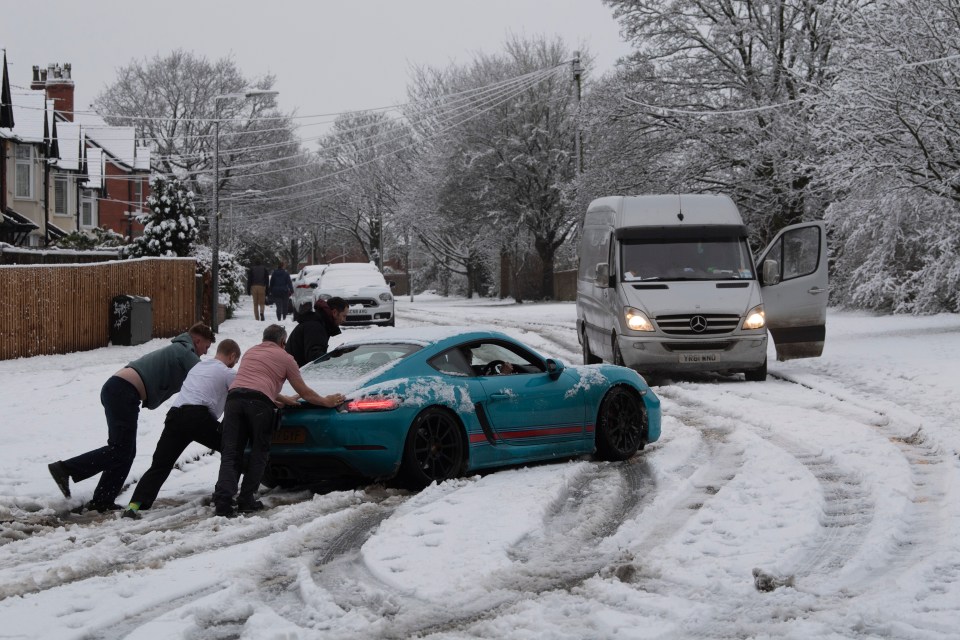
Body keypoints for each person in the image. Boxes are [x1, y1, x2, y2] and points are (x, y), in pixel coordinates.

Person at [47, 323, 215, 512]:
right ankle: (66, 469)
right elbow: (207, 375)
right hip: (123, 391)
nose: (205, 352)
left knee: (124, 451)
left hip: (121, 391)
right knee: (121, 450)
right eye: (206, 347)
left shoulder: (179, 350)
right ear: (197, 340)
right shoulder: (184, 351)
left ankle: (103, 499)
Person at [212, 324, 345, 518]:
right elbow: (304, 392)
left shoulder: (250, 352)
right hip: (258, 406)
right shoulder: (286, 358)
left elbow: (253, 383)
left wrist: (280, 398)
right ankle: (246, 499)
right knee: (260, 451)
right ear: (283, 342)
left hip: (234, 401)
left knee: (231, 452)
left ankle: (223, 501)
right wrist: (326, 401)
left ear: (265, 338)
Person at [121, 339, 242, 520]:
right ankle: (224, 497)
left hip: (175, 416)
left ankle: (134, 506)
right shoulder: (227, 373)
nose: (234, 364)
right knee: (231, 449)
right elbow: (244, 392)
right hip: (198, 417)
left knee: (160, 464)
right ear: (232, 356)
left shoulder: (198, 367)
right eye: (235, 360)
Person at [285, 296, 349, 367]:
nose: (344, 320)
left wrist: (336, 353)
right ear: (334, 312)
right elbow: (314, 358)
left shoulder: (319, 323)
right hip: (299, 373)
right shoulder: (315, 326)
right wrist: (333, 357)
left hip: (298, 371)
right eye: (344, 316)